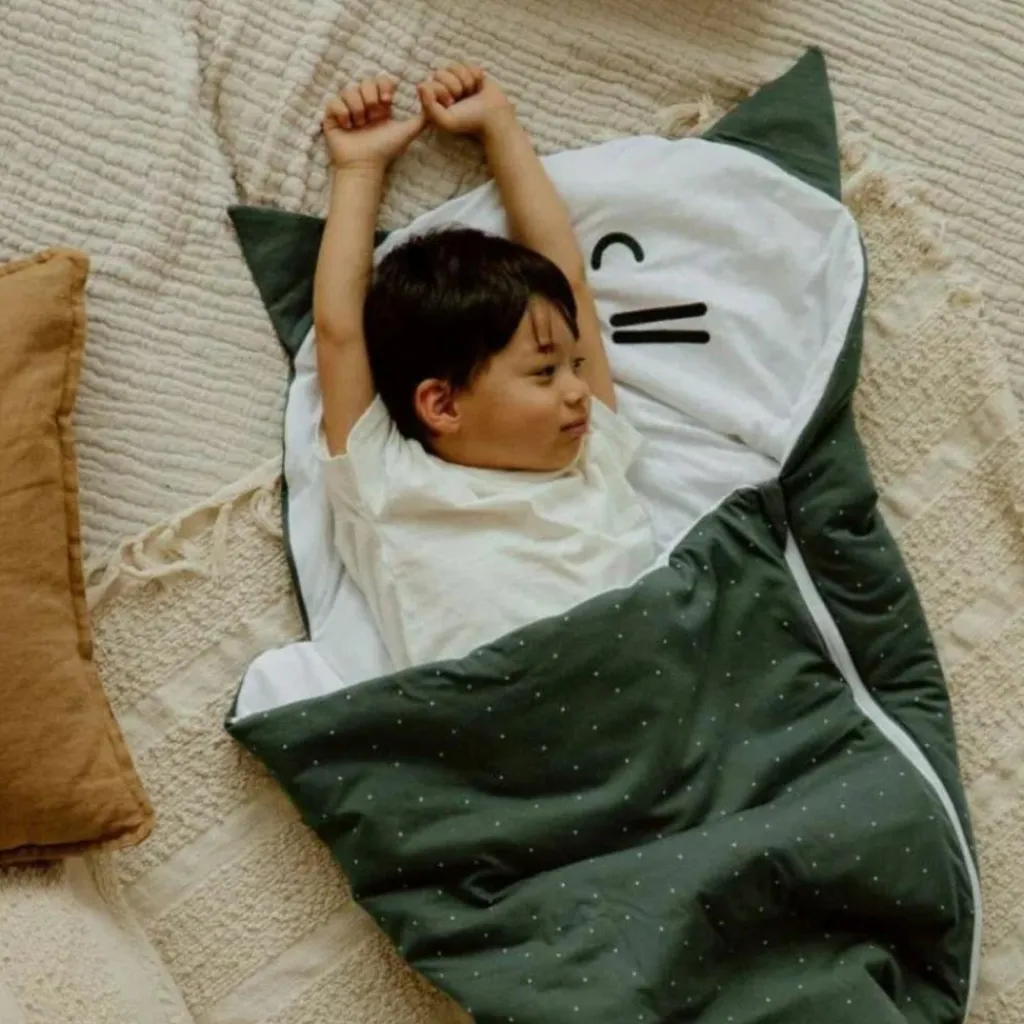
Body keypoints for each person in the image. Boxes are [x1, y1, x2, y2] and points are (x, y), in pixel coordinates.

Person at [314, 63, 655, 669]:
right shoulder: (392, 484)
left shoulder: (591, 453)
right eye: (545, 373)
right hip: (501, 709)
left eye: (574, 365)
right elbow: (339, 335)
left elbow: (570, 281)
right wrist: (359, 170)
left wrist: (501, 127)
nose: (579, 390)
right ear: (442, 403)